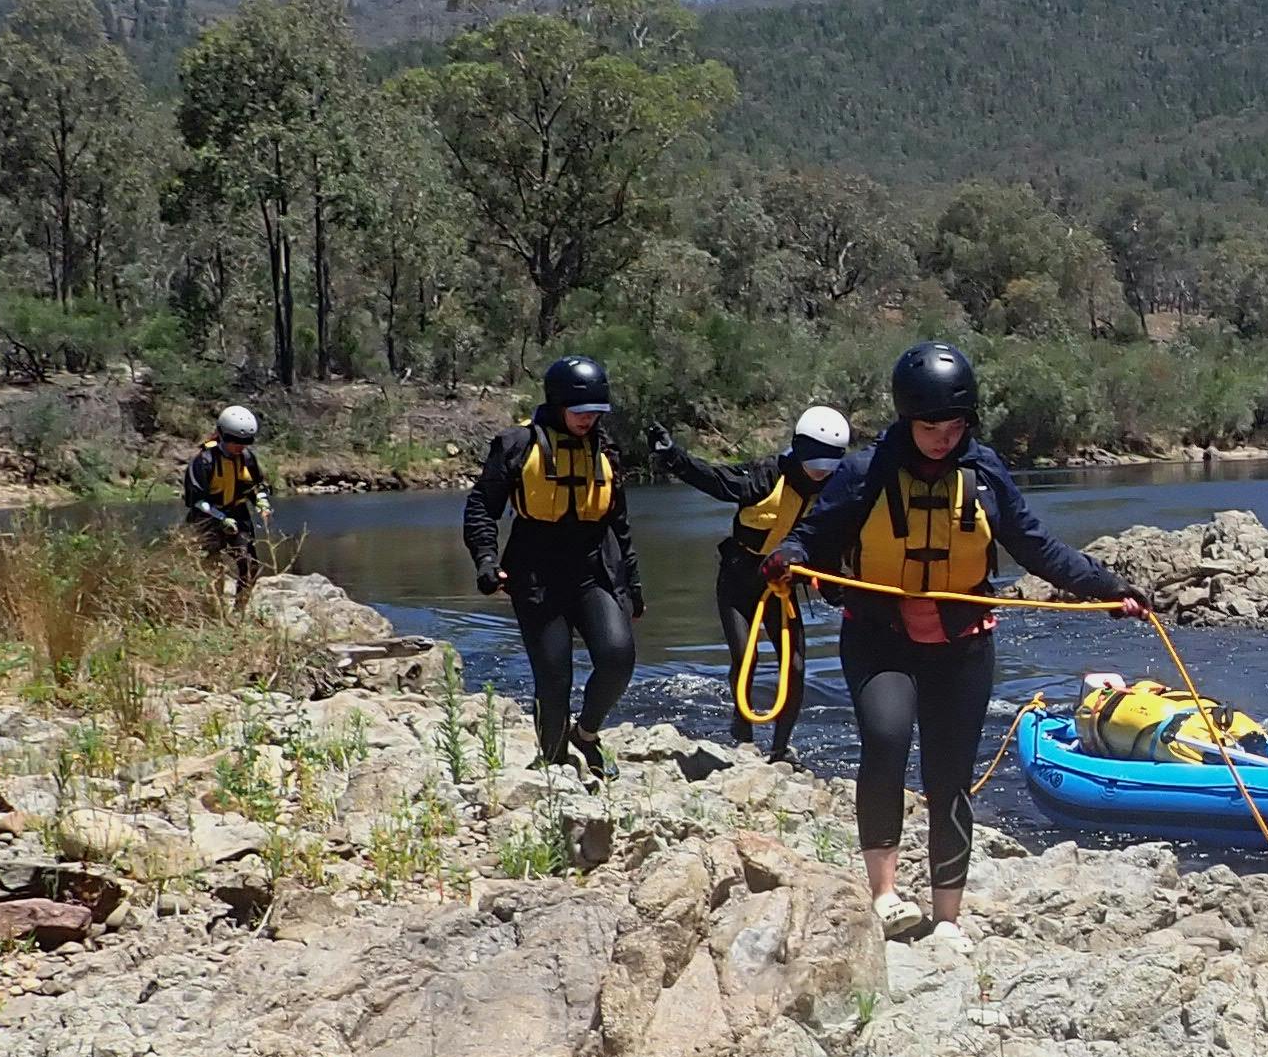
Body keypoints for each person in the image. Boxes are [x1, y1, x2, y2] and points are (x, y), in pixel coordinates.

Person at [776, 341, 1147, 942]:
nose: (943, 437)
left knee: (949, 775)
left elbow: (1035, 545)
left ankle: (948, 918)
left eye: (954, 425)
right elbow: (812, 538)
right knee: (887, 740)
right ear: (906, 418)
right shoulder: (862, 473)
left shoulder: (985, 472)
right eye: (930, 426)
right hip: (880, 637)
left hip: (961, 645)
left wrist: (1105, 587)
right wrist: (788, 556)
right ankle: (885, 894)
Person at [462, 356, 644, 773]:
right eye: (580, 412)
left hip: (592, 569)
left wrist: (632, 585)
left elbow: (620, 524)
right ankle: (554, 763)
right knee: (554, 675)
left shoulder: (606, 450)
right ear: (559, 403)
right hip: (535, 574)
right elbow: (480, 507)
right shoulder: (516, 446)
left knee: (618, 657)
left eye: (596, 413)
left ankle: (587, 734)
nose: (588, 420)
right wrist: (486, 559)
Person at [654, 402, 854, 757]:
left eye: (829, 466)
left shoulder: (832, 489)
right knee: (746, 656)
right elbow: (715, 480)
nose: (820, 474)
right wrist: (673, 457)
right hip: (738, 580)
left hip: (781, 584)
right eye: (815, 465)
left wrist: (838, 589)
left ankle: (780, 748)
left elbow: (831, 542)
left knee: (795, 665)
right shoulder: (764, 476)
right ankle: (743, 729)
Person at [179, 405, 272, 603]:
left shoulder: (247, 458)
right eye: (235, 441)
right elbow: (195, 501)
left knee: (250, 564)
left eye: (246, 441)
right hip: (207, 517)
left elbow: (257, 486)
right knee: (212, 566)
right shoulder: (203, 460)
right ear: (221, 434)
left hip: (237, 513)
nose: (240, 446)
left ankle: (240, 610)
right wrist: (220, 518)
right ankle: (213, 609)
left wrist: (262, 502)